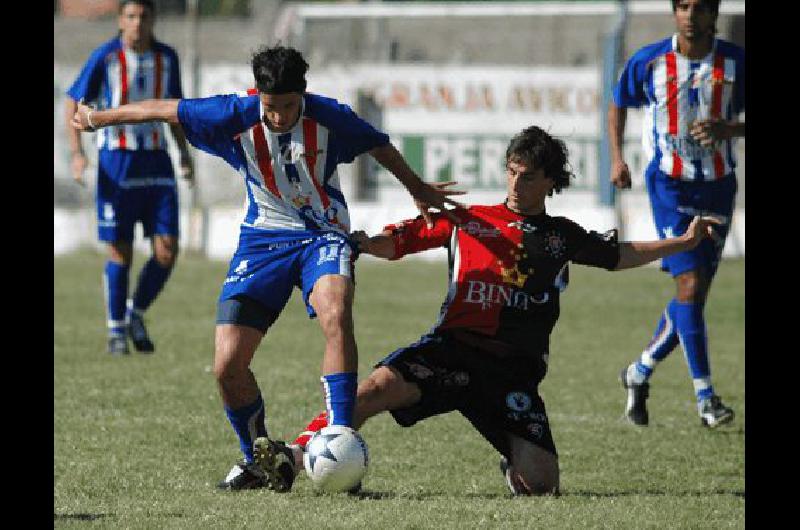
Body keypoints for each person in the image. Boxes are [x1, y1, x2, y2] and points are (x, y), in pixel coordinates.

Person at [71, 45, 463, 492]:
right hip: (262, 241)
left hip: (324, 233)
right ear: (258, 94)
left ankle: (337, 434)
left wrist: (416, 188)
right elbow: (163, 109)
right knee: (226, 366)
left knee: (336, 311)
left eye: (289, 107)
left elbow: (379, 144)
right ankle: (259, 457)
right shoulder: (232, 113)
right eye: (270, 107)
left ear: (304, 94)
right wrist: (97, 119)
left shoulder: (330, 116)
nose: (278, 117)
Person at [282, 125, 722, 495]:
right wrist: (361, 243)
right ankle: (293, 457)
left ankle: (513, 465)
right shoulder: (467, 219)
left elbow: (619, 254)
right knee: (366, 394)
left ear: (551, 181)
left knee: (542, 483)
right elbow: (398, 242)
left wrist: (683, 243)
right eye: (511, 173)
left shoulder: (560, 236)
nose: (516, 184)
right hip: (449, 351)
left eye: (528, 176)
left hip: (511, 372)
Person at [607, 0, 744, 428]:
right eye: (682, 6)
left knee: (692, 297)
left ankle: (638, 371)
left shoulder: (736, 62)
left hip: (719, 186)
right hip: (669, 184)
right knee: (689, 282)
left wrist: (729, 129)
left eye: (699, 7)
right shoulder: (649, 61)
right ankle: (706, 399)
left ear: (713, 14)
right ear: (674, 12)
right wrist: (616, 158)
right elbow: (617, 104)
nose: (689, 15)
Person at [65, 0, 195, 356]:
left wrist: (183, 154)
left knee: (167, 250)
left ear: (153, 19)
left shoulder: (167, 58)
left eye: (144, 16)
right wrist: (77, 154)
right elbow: (74, 101)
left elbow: (175, 109)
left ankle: (135, 312)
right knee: (120, 251)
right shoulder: (105, 57)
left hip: (157, 162)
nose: (138, 23)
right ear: (121, 21)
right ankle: (116, 331)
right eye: (131, 16)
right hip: (116, 164)